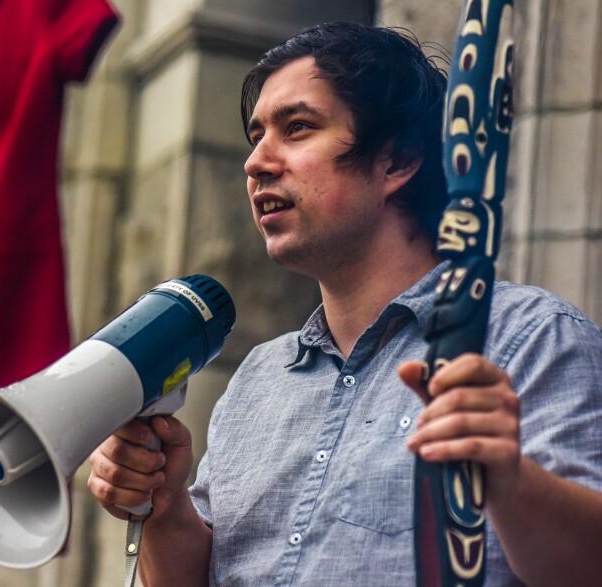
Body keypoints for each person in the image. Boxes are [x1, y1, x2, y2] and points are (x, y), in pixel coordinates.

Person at [87, 22, 602, 586]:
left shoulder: (530, 337)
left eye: (297, 128)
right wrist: (164, 508)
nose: (256, 161)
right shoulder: (259, 377)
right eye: (256, 135)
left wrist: (507, 478)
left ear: (396, 160)